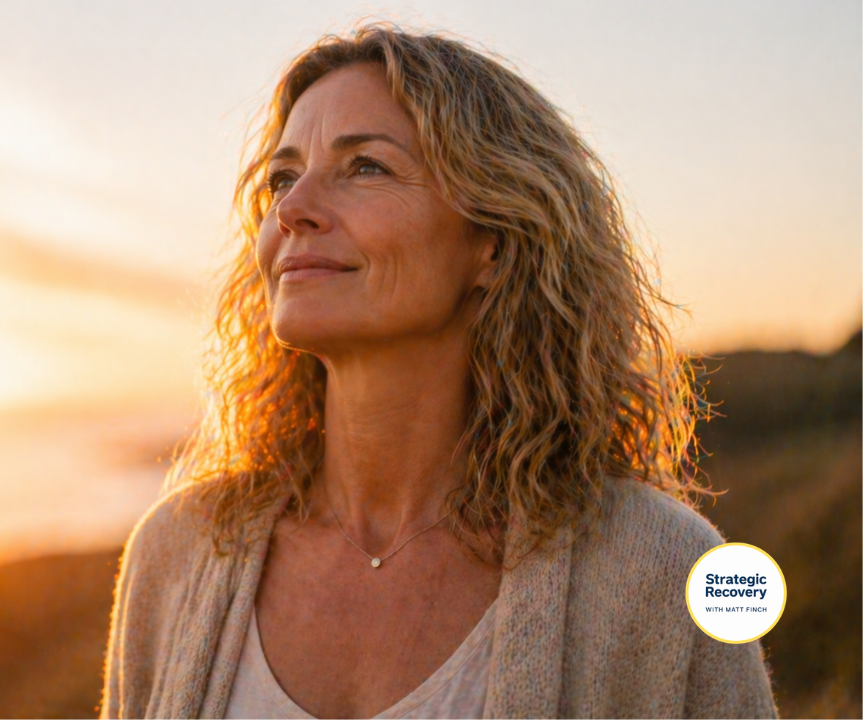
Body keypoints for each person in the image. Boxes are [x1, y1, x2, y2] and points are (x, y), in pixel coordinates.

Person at [102, 24, 776, 719]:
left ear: (492, 240)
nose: (294, 210)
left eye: (365, 166)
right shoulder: (176, 552)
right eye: (282, 178)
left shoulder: (659, 568)